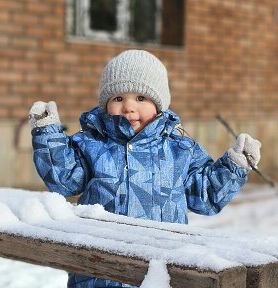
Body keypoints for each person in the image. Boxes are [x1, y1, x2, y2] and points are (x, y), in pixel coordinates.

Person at [29, 49, 261, 288]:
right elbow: (64, 181)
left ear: (159, 104)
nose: (129, 107)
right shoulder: (92, 143)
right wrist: (47, 133)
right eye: (118, 98)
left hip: (162, 271)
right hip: (98, 271)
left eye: (141, 98)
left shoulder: (179, 149)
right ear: (106, 103)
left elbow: (205, 196)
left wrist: (234, 165)